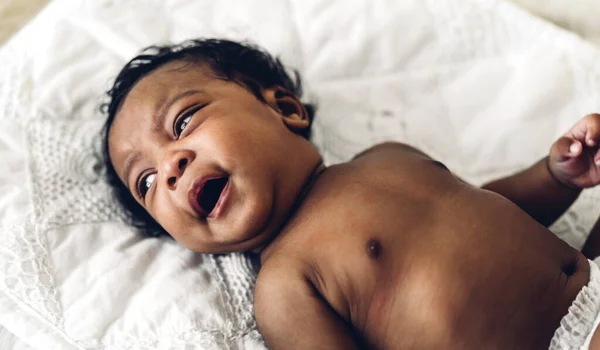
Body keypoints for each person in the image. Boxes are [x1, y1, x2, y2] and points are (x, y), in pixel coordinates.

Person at [102, 38, 600, 349]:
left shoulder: (387, 155)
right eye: (145, 182)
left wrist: (555, 177)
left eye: (184, 121)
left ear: (285, 108)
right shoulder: (285, 286)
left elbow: (490, 210)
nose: (170, 167)